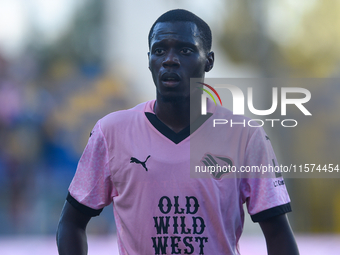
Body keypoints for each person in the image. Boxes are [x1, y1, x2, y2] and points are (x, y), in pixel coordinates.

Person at [56, 9, 299, 255]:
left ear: (209, 60)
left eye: (185, 50)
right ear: (149, 59)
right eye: (160, 51)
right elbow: (71, 224)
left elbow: (278, 234)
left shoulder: (245, 136)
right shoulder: (110, 132)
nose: (170, 59)